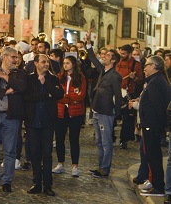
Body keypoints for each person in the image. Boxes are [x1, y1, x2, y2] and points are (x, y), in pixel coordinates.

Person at [0, 46, 27, 192]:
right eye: (13, 57)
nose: (16, 60)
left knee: (10, 151)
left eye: (17, 57)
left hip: (11, 117)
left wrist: (4, 77)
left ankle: (7, 181)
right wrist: (6, 91)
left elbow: (21, 87)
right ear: (4, 57)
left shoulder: (20, 73)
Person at [23, 54, 64, 196]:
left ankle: (47, 185)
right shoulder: (29, 79)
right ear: (36, 63)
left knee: (47, 154)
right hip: (33, 121)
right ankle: (36, 183)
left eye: (47, 62)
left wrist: (46, 85)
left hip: (48, 121)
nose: (46, 64)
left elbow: (59, 94)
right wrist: (46, 95)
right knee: (35, 153)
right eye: (43, 62)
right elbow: (27, 97)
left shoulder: (53, 79)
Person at [133, 56, 170, 197]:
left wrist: (150, 122)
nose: (144, 67)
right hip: (151, 124)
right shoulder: (156, 80)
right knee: (151, 154)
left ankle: (158, 187)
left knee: (153, 155)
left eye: (147, 65)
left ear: (154, 66)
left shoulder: (155, 82)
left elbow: (157, 106)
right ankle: (155, 183)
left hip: (152, 124)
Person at [84, 42, 122, 178]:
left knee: (106, 143)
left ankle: (105, 169)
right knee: (99, 142)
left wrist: (117, 114)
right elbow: (93, 59)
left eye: (107, 56)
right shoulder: (103, 70)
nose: (104, 57)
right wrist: (88, 46)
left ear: (113, 60)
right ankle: (100, 167)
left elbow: (118, 96)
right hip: (96, 110)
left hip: (105, 112)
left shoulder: (115, 76)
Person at [53, 56, 86, 178]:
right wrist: (67, 98)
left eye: (68, 63)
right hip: (61, 111)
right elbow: (57, 94)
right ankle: (60, 163)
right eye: (64, 63)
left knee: (74, 139)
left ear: (73, 64)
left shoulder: (80, 77)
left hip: (75, 112)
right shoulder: (60, 77)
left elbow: (80, 96)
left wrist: (67, 98)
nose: (65, 65)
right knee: (59, 138)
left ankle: (75, 166)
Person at [115, 44, 143, 149]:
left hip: (128, 93)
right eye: (121, 53)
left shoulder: (136, 64)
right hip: (117, 91)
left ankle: (124, 139)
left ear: (130, 53)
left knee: (126, 118)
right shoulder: (117, 61)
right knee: (113, 115)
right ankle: (112, 137)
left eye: (124, 54)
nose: (122, 55)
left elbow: (140, 81)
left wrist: (134, 78)